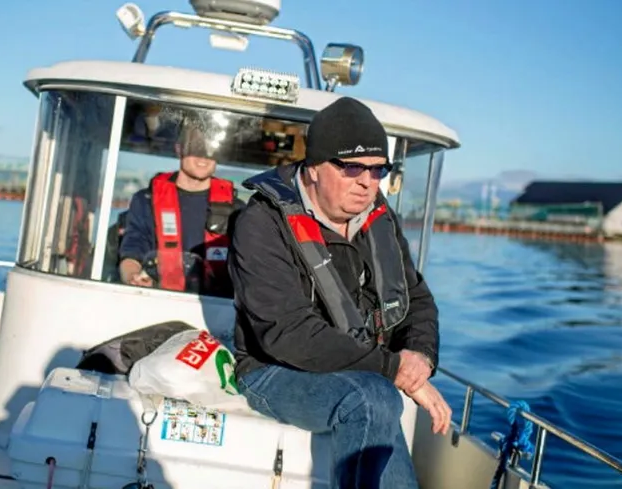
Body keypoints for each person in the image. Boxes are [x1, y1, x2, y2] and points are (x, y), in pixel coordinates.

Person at [229, 97, 453, 488]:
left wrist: (418, 355)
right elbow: (288, 333)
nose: (368, 182)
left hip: (363, 371)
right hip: (273, 370)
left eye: (378, 169)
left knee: (376, 394)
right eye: (352, 168)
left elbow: (416, 298)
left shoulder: (378, 217)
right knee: (372, 396)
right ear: (314, 169)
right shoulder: (262, 222)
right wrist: (391, 368)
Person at [118, 118, 245, 298]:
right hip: (157, 300)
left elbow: (250, 266)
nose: (203, 157)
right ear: (179, 149)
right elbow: (131, 253)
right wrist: (134, 279)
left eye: (211, 150)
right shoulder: (145, 201)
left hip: (217, 309)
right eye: (196, 149)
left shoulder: (238, 210)